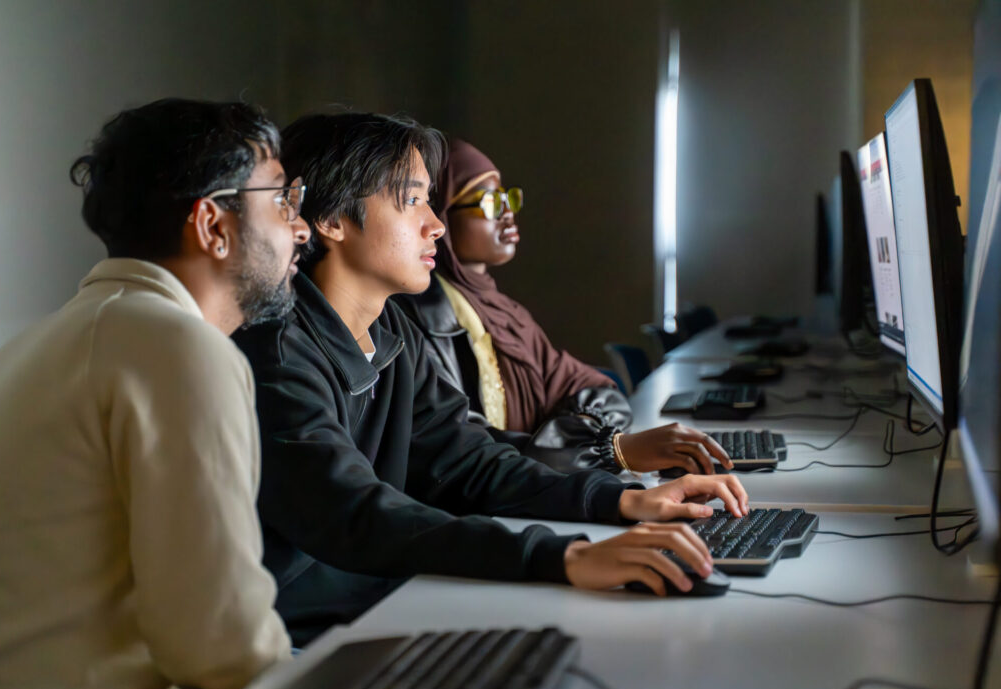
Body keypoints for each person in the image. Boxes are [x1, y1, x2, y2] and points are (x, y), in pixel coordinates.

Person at [232, 112, 749, 646]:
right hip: (303, 639)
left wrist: (614, 500)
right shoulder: (276, 355)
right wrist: (563, 555)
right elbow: (355, 513)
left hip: (386, 600)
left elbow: (469, 457)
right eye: (411, 201)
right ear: (333, 220)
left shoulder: (389, 331)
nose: (435, 225)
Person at [0, 98, 310, 689]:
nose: (299, 229)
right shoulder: (175, 346)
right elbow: (219, 642)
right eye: (283, 200)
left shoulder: (42, 343)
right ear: (212, 224)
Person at [395, 138, 732, 477]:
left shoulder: (506, 313)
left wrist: (582, 436)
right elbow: (466, 450)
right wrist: (606, 449)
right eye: (490, 202)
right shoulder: (417, 321)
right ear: (443, 215)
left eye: (508, 198)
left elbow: (590, 386)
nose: (508, 213)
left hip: (541, 494)